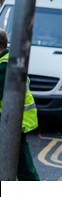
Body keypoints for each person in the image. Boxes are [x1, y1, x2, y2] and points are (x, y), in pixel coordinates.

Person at [0, 29, 40, 181]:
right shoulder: (6, 60)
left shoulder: (5, 66)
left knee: (23, 166)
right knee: (20, 163)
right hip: (12, 120)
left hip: (13, 122)